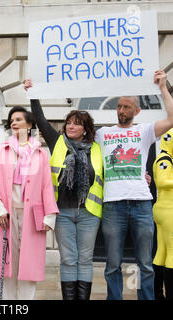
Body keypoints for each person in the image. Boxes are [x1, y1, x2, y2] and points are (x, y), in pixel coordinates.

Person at [94, 70, 173, 300]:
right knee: (112, 265)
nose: (121, 110)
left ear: (136, 111)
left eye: (127, 107)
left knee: (145, 264)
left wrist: (163, 87)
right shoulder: (102, 134)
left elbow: (171, 118)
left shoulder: (144, 130)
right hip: (112, 206)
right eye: (119, 106)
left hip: (141, 204)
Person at [24, 80, 103, 300]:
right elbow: (39, 120)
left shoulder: (98, 148)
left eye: (77, 124)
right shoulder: (57, 141)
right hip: (63, 212)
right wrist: (33, 92)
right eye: (69, 122)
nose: (71, 126)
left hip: (89, 212)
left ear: (86, 129)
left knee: (85, 259)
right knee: (68, 258)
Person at [0, 106, 58, 300]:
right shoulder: (1, 151)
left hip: (32, 215)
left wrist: (49, 216)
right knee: (8, 265)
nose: (13, 123)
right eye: (11, 120)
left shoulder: (40, 154)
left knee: (29, 266)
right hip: (6, 214)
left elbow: (46, 186)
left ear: (30, 124)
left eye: (18, 119)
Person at [152, 128, 173, 300]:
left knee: (162, 252)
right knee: (172, 252)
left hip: (164, 209)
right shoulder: (164, 159)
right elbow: (163, 181)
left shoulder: (166, 158)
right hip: (168, 210)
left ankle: (158, 294)